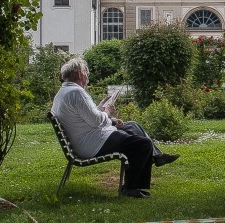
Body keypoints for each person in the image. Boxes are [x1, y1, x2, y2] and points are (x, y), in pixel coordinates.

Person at [51, 58, 179, 198]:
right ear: (80, 74)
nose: (88, 76)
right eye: (86, 72)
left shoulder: (65, 91)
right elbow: (96, 121)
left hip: (87, 138)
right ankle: (131, 188)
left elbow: (85, 117)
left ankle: (156, 156)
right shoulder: (76, 93)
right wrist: (107, 112)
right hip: (93, 142)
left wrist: (100, 110)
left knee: (131, 125)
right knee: (142, 144)